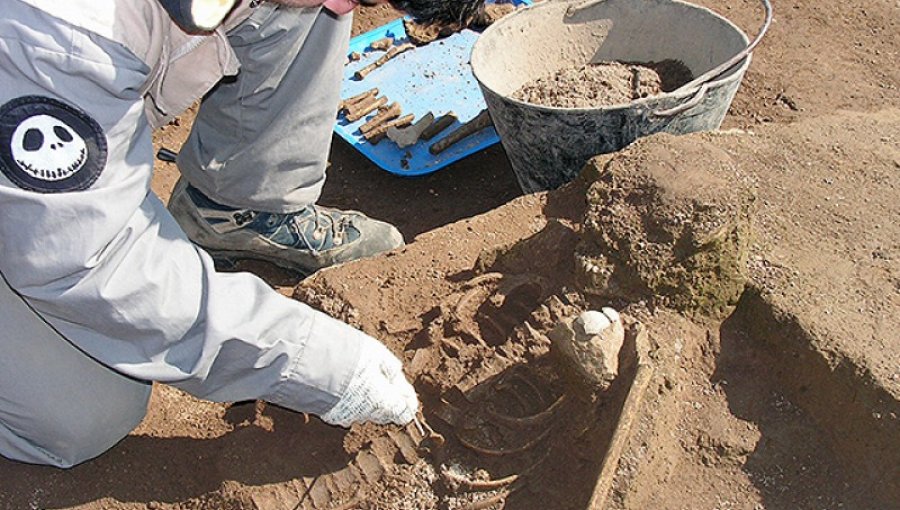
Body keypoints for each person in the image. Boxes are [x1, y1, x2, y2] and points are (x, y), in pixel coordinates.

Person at [0, 0, 480, 468]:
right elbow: (91, 264)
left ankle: (229, 209)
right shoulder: (59, 36)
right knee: (83, 411)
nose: (343, 9)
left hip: (67, 88)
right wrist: (315, 363)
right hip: (40, 118)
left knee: (298, 8)